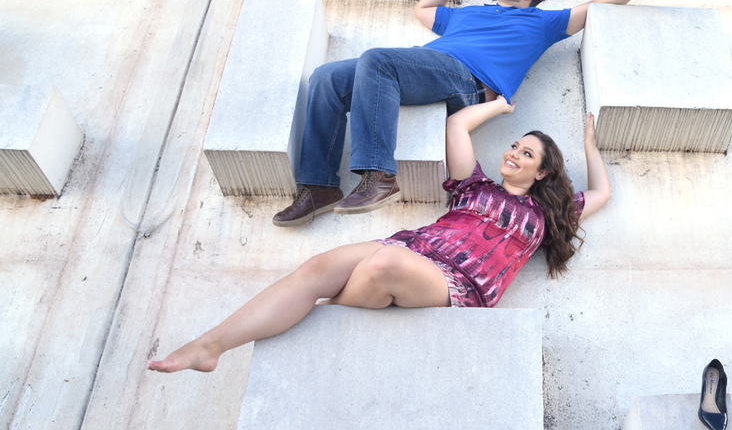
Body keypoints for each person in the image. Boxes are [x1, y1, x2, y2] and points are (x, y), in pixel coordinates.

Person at [149, 96, 609, 374]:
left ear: (543, 170)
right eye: (513, 144)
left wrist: (589, 145)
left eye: (526, 152)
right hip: (416, 246)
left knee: (382, 267)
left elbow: (602, 191)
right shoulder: (475, 185)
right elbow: (457, 125)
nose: (513, 153)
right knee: (316, 268)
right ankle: (211, 345)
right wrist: (501, 106)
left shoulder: (550, 215)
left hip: (460, 285)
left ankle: (312, 321)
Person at [274, 0, 662, 226]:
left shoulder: (541, 23)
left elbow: (595, 6)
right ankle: (319, 186)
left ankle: (379, 175)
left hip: (467, 82)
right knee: (326, 77)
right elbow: (422, 10)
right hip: (426, 67)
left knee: (377, 59)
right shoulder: (470, 13)